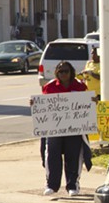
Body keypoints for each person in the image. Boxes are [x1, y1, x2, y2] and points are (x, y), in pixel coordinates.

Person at [38, 61, 93, 196]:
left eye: (66, 71)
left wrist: (92, 102)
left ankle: (73, 185)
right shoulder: (49, 87)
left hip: (74, 129)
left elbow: (86, 103)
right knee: (52, 155)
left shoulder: (80, 86)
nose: (63, 74)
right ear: (57, 72)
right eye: (61, 71)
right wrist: (35, 104)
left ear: (71, 72)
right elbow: (43, 106)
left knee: (73, 156)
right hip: (54, 129)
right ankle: (51, 185)